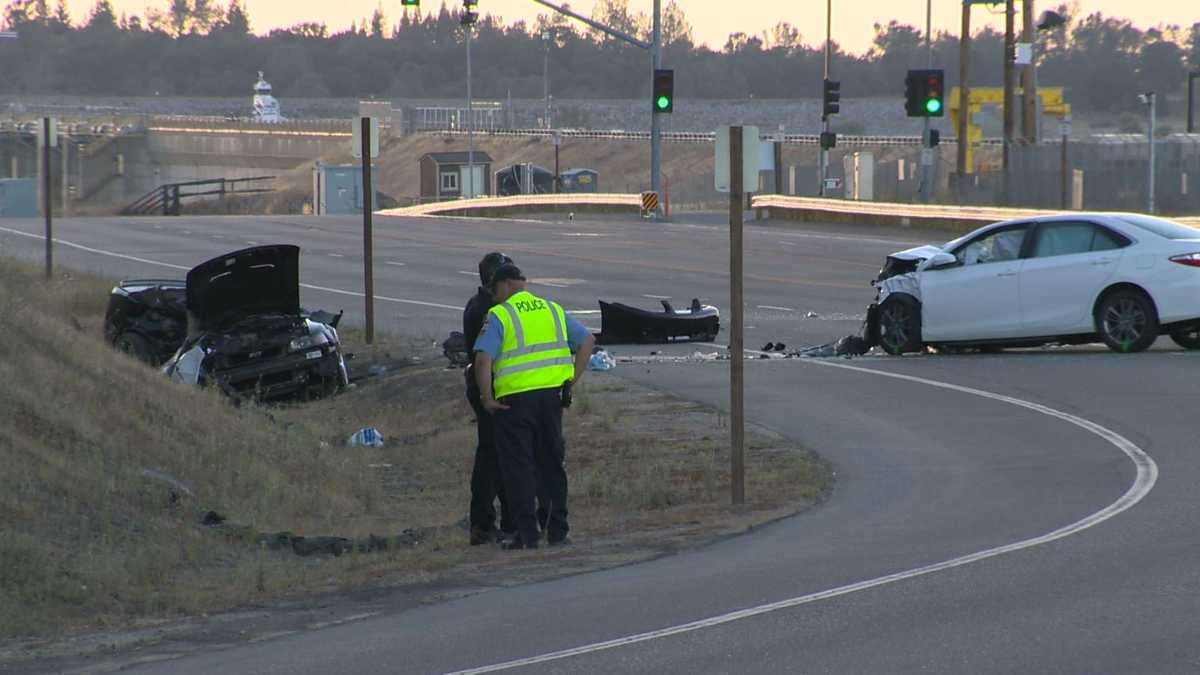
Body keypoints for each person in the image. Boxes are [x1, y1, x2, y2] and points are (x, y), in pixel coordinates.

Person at [473, 263, 595, 550]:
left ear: (503, 285)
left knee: (519, 467)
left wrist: (486, 398)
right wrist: (570, 381)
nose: (494, 297)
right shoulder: (552, 309)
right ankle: (557, 531)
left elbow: (482, 360)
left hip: (514, 402)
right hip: (551, 399)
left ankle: (527, 534)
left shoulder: (500, 314)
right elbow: (588, 341)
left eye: (494, 291)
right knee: (551, 464)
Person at [464, 252, 515, 545]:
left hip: (490, 387)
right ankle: (484, 523)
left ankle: (506, 518)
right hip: (490, 390)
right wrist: (488, 397)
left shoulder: (484, 306)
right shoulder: (487, 311)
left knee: (500, 454)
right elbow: (484, 358)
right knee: (492, 457)